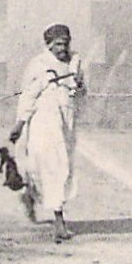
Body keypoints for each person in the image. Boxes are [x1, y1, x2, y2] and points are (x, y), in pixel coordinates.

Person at [10, 23, 85, 242]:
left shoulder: (75, 62)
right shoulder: (39, 65)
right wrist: (20, 123)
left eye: (66, 43)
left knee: (62, 168)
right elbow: (28, 96)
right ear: (49, 45)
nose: (63, 48)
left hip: (66, 123)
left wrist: (80, 87)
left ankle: (30, 194)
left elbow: (80, 94)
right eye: (59, 44)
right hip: (45, 123)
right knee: (55, 167)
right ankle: (59, 221)